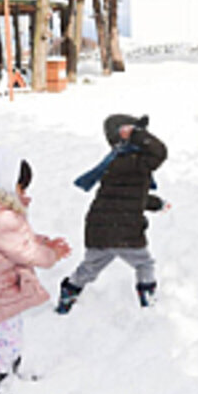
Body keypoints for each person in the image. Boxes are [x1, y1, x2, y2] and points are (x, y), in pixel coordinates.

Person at [0, 146, 71, 394]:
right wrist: (50, 254)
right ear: (7, 183)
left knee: (12, 340)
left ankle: (3, 380)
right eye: (22, 188)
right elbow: (25, 251)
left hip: (0, 289)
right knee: (6, 346)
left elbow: (21, 241)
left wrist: (46, 243)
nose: (24, 194)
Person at [56, 114, 168, 314]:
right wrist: (137, 135)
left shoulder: (114, 162)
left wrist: (157, 204)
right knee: (144, 264)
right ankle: (148, 302)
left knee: (89, 268)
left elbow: (129, 196)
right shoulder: (138, 161)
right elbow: (160, 152)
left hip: (100, 228)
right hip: (126, 232)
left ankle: (68, 295)